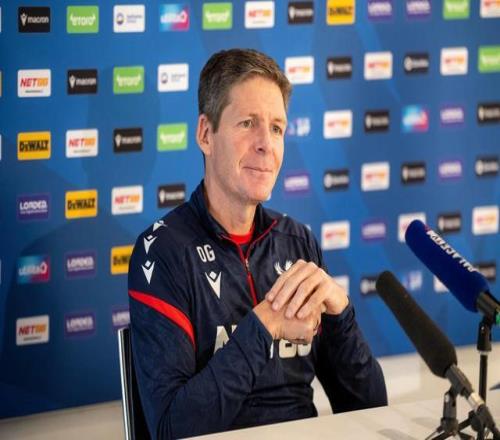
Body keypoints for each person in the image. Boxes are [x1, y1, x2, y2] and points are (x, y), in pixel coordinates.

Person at [128, 48, 387, 439]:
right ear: (205, 134)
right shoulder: (163, 251)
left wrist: (341, 313)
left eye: (277, 128)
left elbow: (369, 409)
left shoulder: (297, 241)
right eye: (248, 123)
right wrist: (265, 324)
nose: (266, 144)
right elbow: (171, 429)